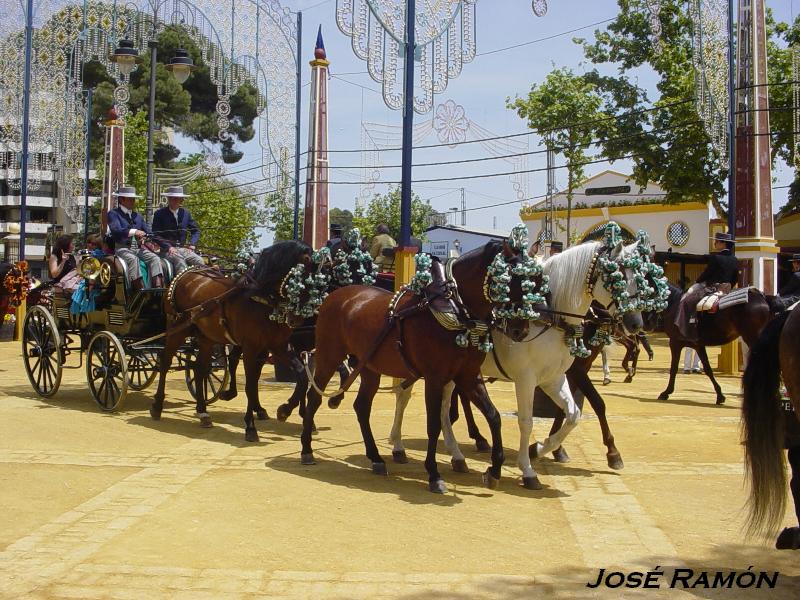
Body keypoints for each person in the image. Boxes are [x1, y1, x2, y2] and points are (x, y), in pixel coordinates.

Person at [675, 231, 738, 341]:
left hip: (713, 288)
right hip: (727, 289)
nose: (715, 243)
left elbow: (707, 274)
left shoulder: (716, 257)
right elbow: (735, 278)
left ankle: (687, 328)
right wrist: (728, 286)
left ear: (723, 243)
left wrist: (697, 281)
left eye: (716, 241)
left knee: (686, 301)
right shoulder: (734, 259)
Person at [107, 186, 164, 290]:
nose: (133, 201)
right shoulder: (113, 214)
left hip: (138, 249)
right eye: (130, 199)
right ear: (121, 199)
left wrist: (151, 239)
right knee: (133, 259)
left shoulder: (137, 216)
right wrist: (134, 232)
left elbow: (149, 232)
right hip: (122, 249)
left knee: (155, 258)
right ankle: (139, 290)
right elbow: (116, 230)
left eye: (134, 199)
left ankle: (157, 288)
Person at [152, 185, 204, 274]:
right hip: (166, 251)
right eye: (174, 198)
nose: (176, 201)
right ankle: (182, 282)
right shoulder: (159, 214)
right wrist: (169, 247)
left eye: (179, 198)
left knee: (200, 261)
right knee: (180, 261)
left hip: (183, 249)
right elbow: (155, 235)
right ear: (168, 199)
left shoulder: (186, 213)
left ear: (181, 200)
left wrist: (192, 244)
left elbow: (195, 231)